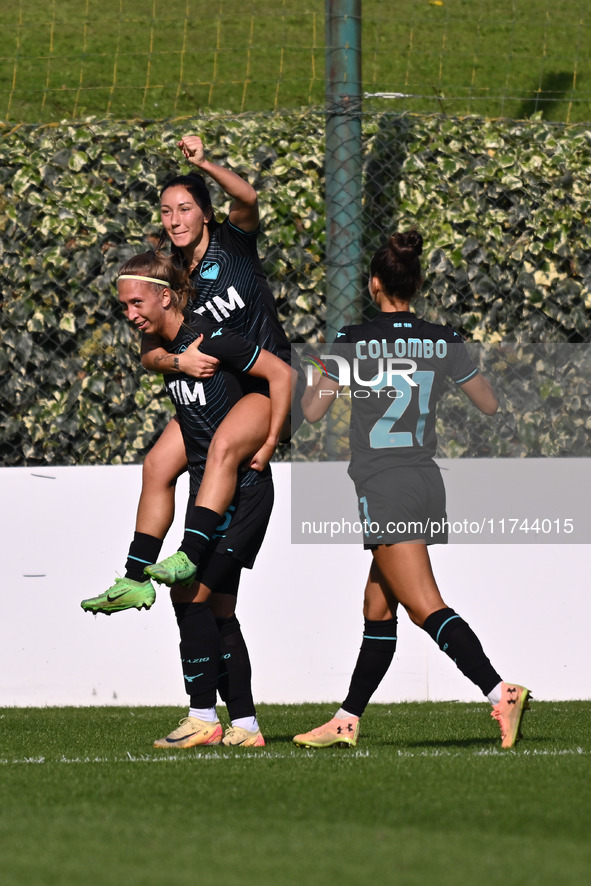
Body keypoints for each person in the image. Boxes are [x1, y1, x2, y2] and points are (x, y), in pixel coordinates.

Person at [292, 230, 530, 751]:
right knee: (378, 608)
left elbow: (312, 412)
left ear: (374, 284)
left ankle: (500, 690)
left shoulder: (351, 340)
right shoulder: (443, 340)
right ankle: (346, 719)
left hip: (385, 483)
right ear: (415, 284)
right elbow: (489, 404)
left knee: (424, 606)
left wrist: (316, 367)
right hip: (424, 480)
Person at [84, 134, 301, 611]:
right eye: (166, 211)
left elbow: (248, 197)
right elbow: (148, 351)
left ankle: (192, 552)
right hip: (221, 391)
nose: (174, 219)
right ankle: (135, 577)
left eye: (184, 208)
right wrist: (176, 361)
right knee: (157, 464)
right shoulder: (170, 273)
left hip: (262, 382)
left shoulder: (234, 243)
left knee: (226, 452)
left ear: (205, 212)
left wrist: (204, 163)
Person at [84, 252, 291, 748]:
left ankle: (203, 717)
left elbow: (282, 374)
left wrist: (269, 441)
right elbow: (150, 354)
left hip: (242, 493)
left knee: (190, 594)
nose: (130, 314)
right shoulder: (163, 345)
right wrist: (175, 360)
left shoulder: (216, 337)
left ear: (166, 296)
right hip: (209, 494)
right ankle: (244, 725)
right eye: (123, 306)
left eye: (137, 303)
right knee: (216, 610)